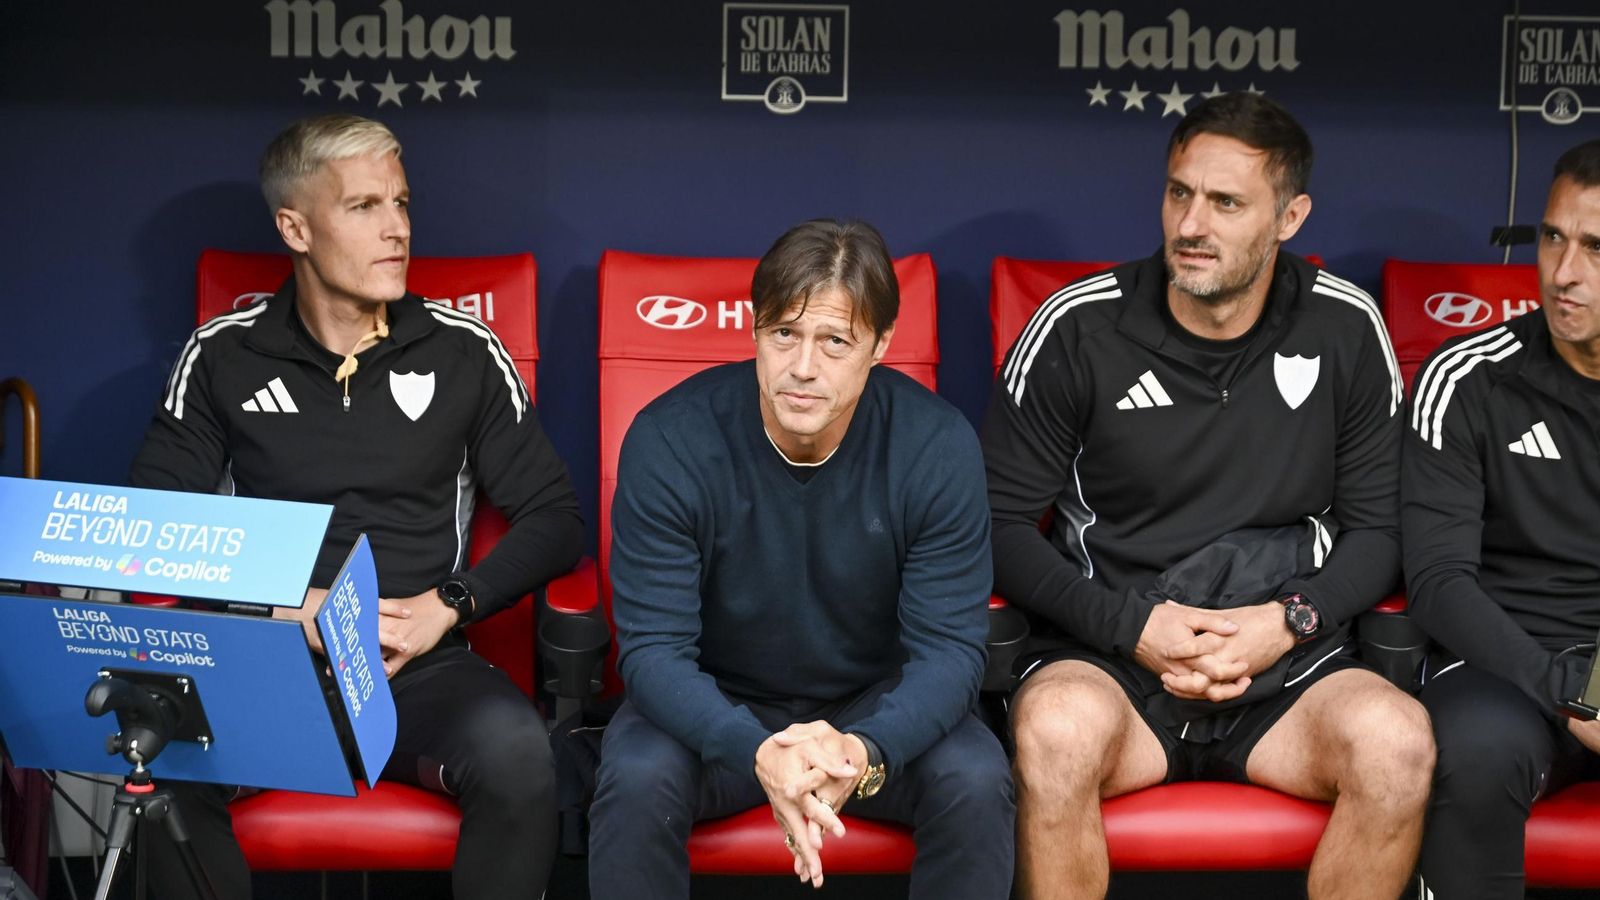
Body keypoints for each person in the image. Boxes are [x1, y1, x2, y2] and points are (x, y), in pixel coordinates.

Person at [983, 92, 1434, 900]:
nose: (1192, 224)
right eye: (1179, 192)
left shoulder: (1345, 328)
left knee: (1395, 743)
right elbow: (998, 526)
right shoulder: (1078, 328)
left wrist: (1287, 623)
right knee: (1053, 732)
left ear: (1290, 217)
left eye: (1227, 202)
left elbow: (1382, 531)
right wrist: (1134, 627)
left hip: (1287, 664)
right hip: (1114, 656)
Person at [128, 113, 583, 900]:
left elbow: (556, 519)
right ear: (295, 227)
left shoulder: (463, 351)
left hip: (414, 665)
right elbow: (153, 528)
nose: (397, 229)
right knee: (164, 761)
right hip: (269, 659)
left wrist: (450, 603)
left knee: (519, 756)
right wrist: (282, 607)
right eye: (365, 207)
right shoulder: (222, 354)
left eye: (402, 204)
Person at [587, 219, 1014, 898]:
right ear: (754, 330)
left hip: (871, 713)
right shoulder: (670, 438)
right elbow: (653, 654)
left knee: (975, 777)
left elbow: (950, 655)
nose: (804, 366)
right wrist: (758, 752)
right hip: (718, 704)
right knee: (637, 777)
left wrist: (861, 752)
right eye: (784, 333)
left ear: (880, 346)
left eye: (835, 341)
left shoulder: (936, 446)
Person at [1404, 138, 1600, 897]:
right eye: (1552, 237)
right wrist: (1574, 688)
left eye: (1594, 246)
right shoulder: (1468, 378)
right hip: (1504, 668)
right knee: (1478, 750)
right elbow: (1438, 582)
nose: (1564, 272)